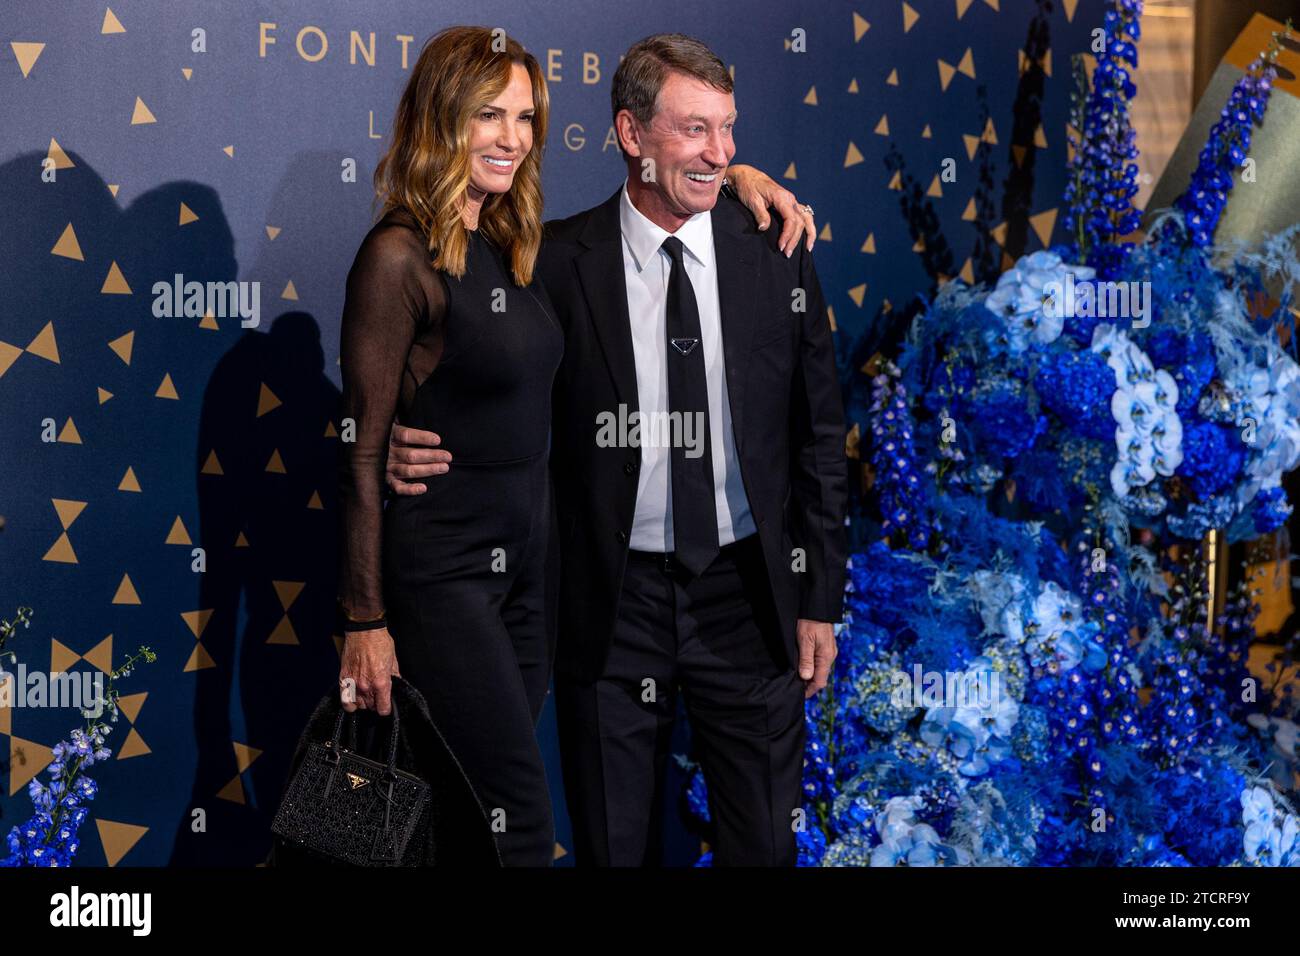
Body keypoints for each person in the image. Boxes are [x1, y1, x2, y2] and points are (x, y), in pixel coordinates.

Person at [337, 26, 813, 867]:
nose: (512, 137)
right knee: (520, 824)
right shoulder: (406, 253)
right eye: (490, 114)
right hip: (463, 579)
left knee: (466, 814)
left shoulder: (517, 249)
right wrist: (365, 619)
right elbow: (362, 446)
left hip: (534, 587)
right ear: (442, 118)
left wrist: (728, 177)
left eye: (525, 118)